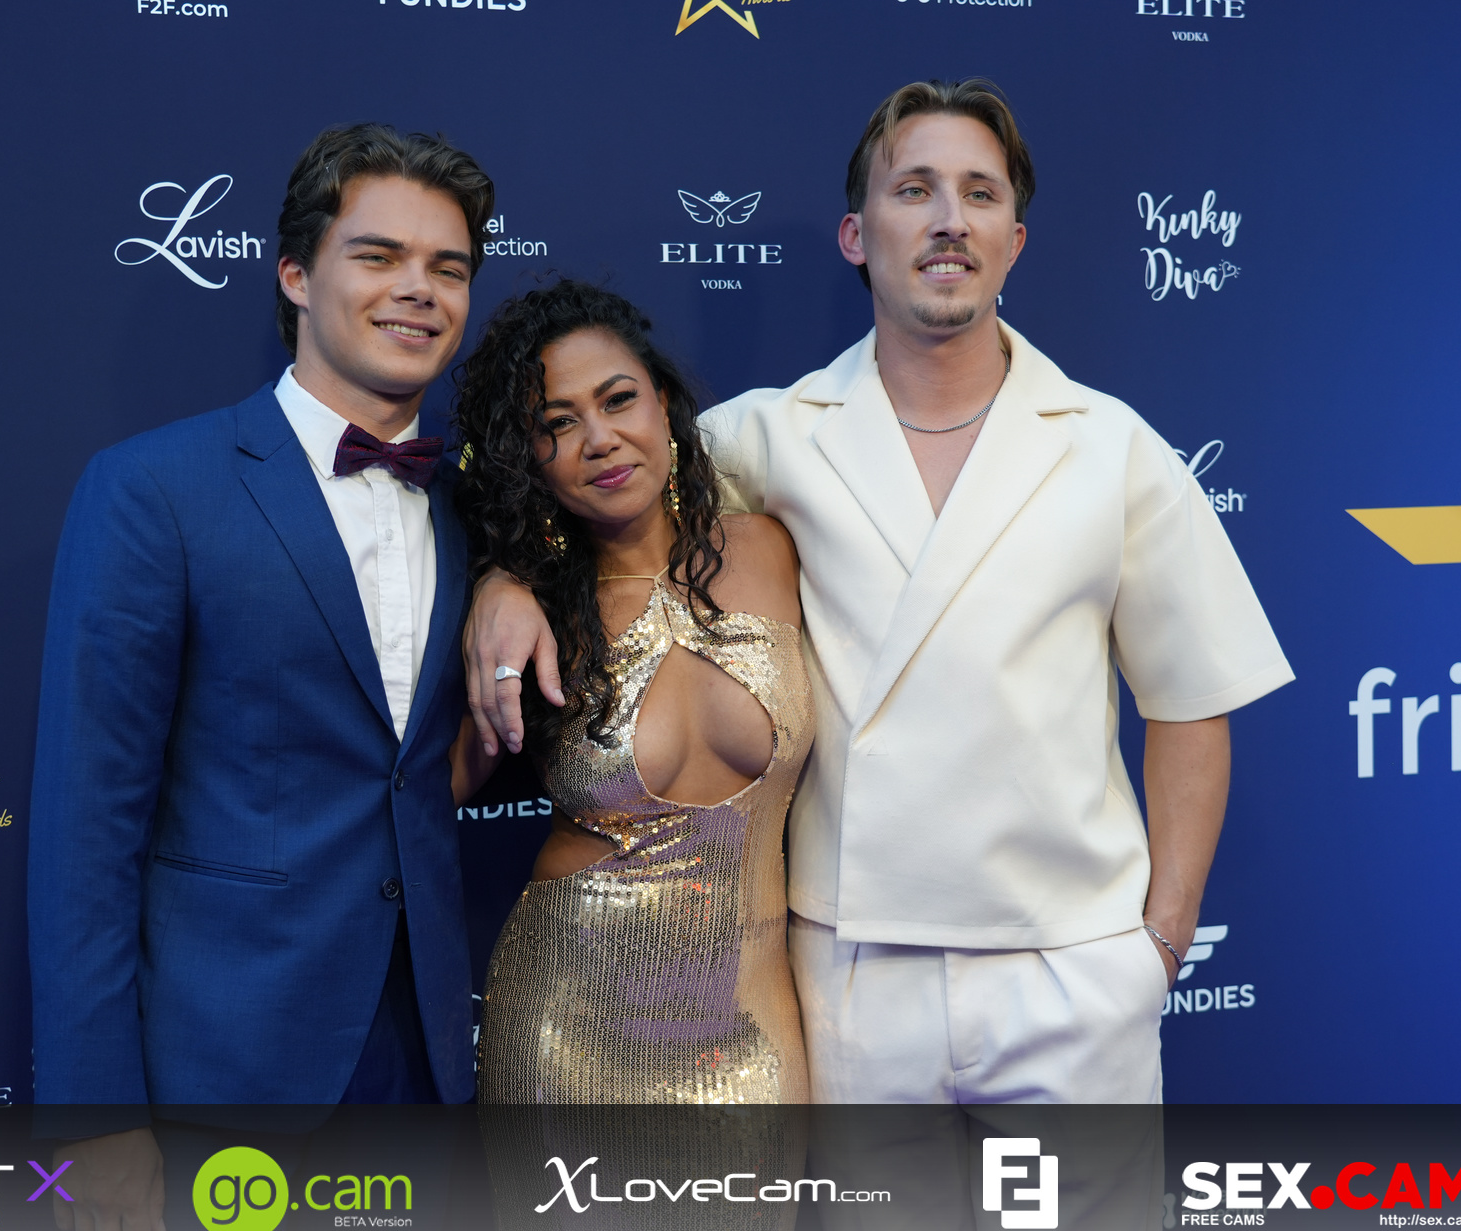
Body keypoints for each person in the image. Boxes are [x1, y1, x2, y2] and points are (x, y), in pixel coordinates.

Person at [468, 78, 1292, 1105]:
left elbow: (1191, 701)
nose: (950, 219)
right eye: (915, 189)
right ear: (857, 235)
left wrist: (1160, 941)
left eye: (980, 193)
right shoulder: (760, 438)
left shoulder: (1114, 447)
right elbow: (593, 495)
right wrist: (503, 578)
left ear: (1015, 241)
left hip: (1070, 968)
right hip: (850, 976)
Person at [27, 123, 492, 1231]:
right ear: (294, 273)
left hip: (423, 1066)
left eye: (447, 267)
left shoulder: (479, 507)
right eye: (378, 256)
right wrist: (93, 1107)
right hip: (221, 1075)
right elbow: (86, 825)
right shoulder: (154, 489)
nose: (418, 289)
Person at [450, 281, 811, 1231]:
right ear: (529, 459)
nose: (599, 439)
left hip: (750, 1031)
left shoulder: (776, 548)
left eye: (617, 400)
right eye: (556, 424)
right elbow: (431, 790)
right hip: (568, 1029)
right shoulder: (533, 609)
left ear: (664, 404)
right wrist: (494, 585)